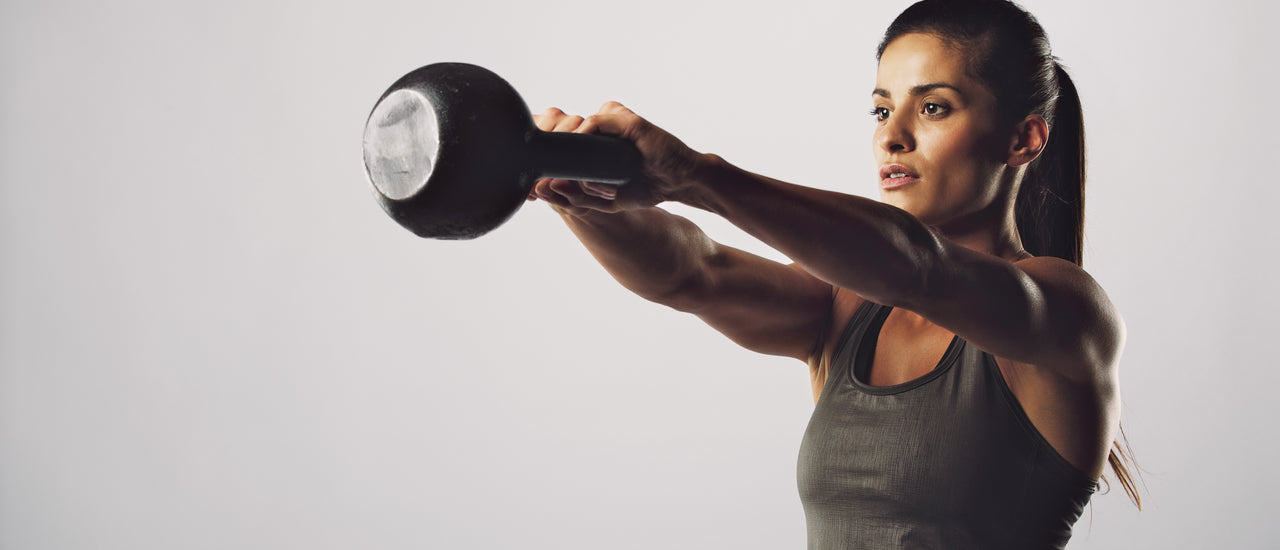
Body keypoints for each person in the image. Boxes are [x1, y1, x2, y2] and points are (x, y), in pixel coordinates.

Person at [529, 0, 1140, 547]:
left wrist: (697, 176)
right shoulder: (845, 307)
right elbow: (694, 272)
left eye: (933, 107)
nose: (891, 137)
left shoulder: (1067, 312)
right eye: (880, 110)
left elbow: (920, 269)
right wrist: (578, 196)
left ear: (1023, 140)